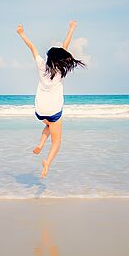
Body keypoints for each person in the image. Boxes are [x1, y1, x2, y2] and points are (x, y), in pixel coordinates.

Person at [16, 20, 86, 178]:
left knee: (49, 124)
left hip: (40, 110)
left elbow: (32, 47)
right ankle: (47, 161)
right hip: (54, 109)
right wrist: (72, 28)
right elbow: (65, 45)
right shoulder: (60, 69)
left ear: (48, 58)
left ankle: (40, 143)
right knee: (57, 141)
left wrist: (21, 33)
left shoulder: (41, 65)